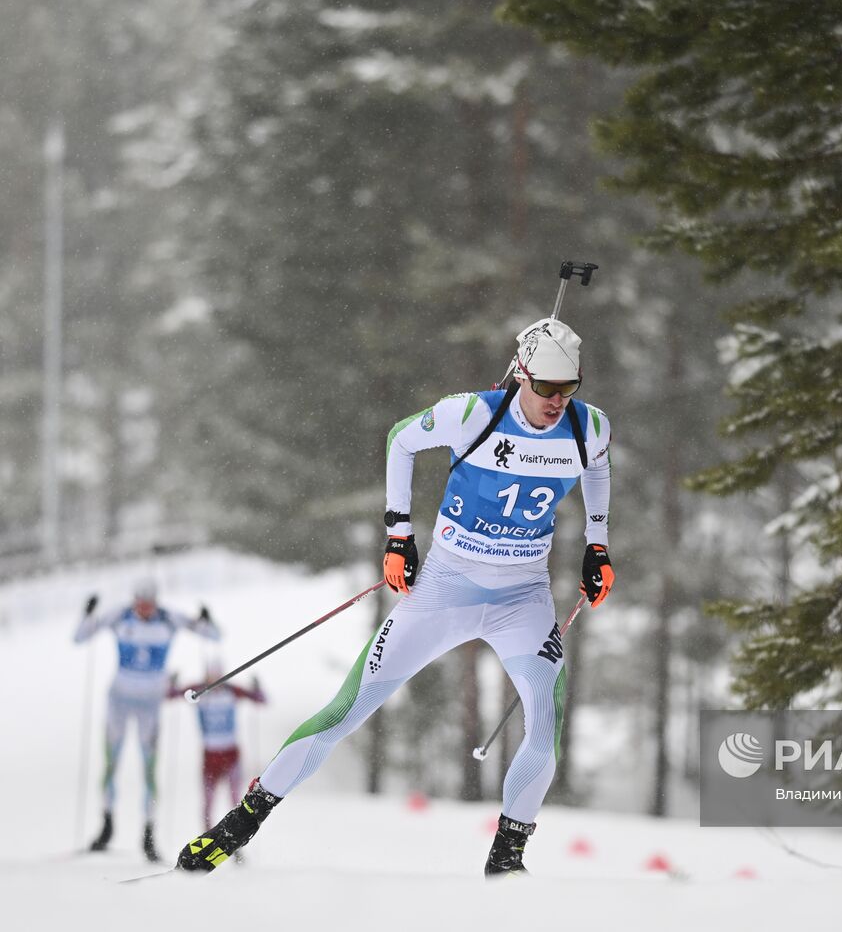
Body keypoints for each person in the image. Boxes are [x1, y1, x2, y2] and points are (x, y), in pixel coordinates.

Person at [175, 318, 614, 878]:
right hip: (444, 592)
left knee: (543, 726)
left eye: (568, 388)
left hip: (522, 599)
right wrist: (398, 534)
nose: (557, 402)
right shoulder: (474, 414)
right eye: (546, 388)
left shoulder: (588, 427)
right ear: (520, 374)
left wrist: (597, 547)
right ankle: (238, 826)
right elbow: (401, 439)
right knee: (346, 710)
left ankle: (507, 861)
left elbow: (599, 467)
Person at [74, 581, 220, 861]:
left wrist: (206, 619)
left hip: (151, 704)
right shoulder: (120, 615)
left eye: (148, 602)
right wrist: (87, 613)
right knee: (111, 762)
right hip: (119, 699)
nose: (143, 608)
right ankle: (106, 825)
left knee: (149, 768)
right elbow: (81, 637)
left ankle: (148, 833)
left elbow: (212, 636)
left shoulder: (168, 618)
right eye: (139, 602)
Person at [167, 663, 266, 827]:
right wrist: (172, 683)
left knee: (236, 800)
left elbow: (260, 699)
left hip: (231, 754)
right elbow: (171, 695)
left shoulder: (231, 691)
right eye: (211, 676)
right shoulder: (198, 691)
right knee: (208, 802)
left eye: (218, 676)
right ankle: (207, 837)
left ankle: (236, 838)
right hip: (210, 755)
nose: (215, 680)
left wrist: (257, 688)